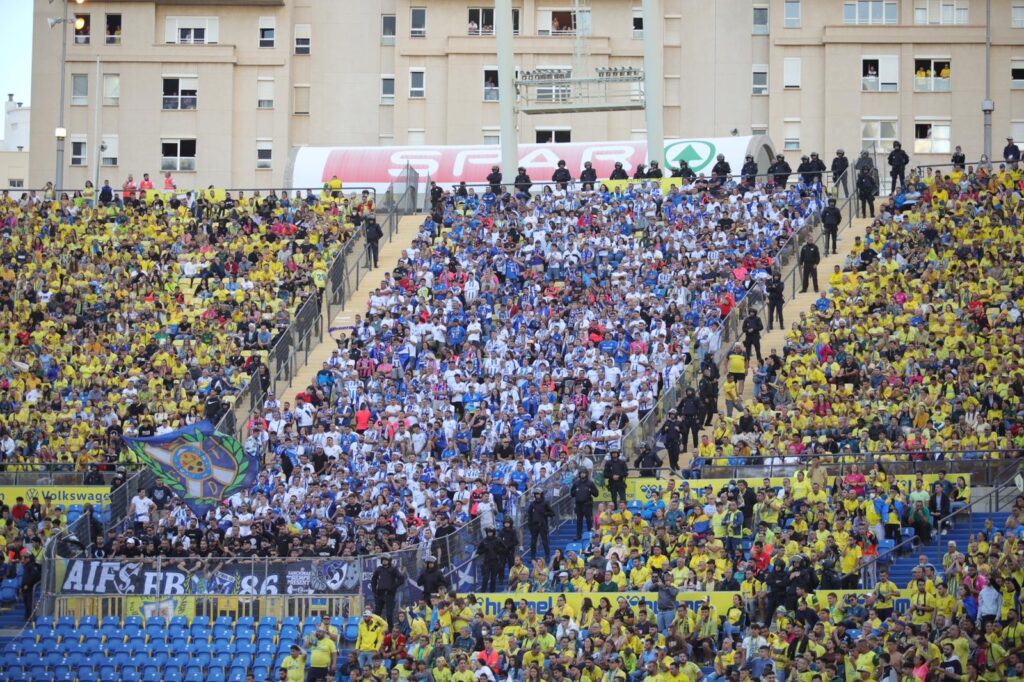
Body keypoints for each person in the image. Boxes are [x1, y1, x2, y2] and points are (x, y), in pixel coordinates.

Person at [370, 555, 403, 626]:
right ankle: (375, 628)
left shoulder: (393, 569)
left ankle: (390, 631)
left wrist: (393, 588)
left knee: (389, 614)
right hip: (379, 594)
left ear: (389, 561)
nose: (384, 561)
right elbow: (373, 579)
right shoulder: (379, 569)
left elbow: (401, 579)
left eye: (386, 560)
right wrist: (374, 590)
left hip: (389, 594)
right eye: (383, 560)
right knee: (377, 613)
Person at [571, 469, 600, 539]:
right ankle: (578, 535)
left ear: (586, 474)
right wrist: (576, 492)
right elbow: (572, 493)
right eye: (581, 473)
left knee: (589, 520)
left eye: (584, 473)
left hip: (587, 504)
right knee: (579, 521)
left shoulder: (590, 483)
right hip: (578, 505)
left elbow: (596, 494)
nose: (582, 474)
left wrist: (591, 490)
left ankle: (590, 535)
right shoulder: (576, 483)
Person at [526, 490, 554, 560]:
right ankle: (532, 557)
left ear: (541, 494)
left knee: (544, 541)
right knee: (533, 543)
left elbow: (552, 513)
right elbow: (529, 515)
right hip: (534, 526)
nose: (537, 495)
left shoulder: (545, 503)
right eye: (535, 494)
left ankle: (547, 556)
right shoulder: (532, 504)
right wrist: (530, 525)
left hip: (542, 525)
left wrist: (545, 513)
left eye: (538, 494)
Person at [475, 527, 504, 592]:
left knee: (493, 578)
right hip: (487, 562)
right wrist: (483, 550)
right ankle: (483, 592)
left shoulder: (498, 540)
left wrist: (498, 550)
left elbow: (504, 549)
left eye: (491, 532)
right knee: (485, 578)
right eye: (488, 532)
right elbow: (478, 551)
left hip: (495, 561)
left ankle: (492, 592)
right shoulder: (484, 540)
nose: (490, 533)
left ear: (493, 532)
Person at [20, 554, 40, 620]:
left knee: (29, 603)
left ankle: (30, 617)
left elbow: (32, 576)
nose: (24, 559)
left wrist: (27, 584)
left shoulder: (32, 566)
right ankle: (27, 616)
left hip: (29, 588)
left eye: (26, 558)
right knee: (26, 603)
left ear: (29, 559)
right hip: (25, 587)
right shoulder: (27, 566)